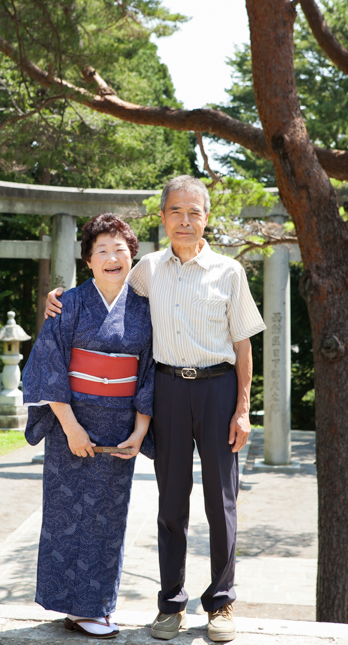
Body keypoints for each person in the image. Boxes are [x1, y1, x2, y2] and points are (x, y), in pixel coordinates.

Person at [45, 176, 266, 643]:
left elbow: (244, 344)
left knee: (220, 501)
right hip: (167, 389)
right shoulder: (147, 267)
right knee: (171, 500)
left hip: (219, 388)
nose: (185, 221)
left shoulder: (229, 271)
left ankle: (221, 603)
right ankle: (171, 605)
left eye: (195, 212)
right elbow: (106, 284)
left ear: (206, 218)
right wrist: (56, 298)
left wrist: (243, 407)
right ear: (163, 217)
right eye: (176, 212)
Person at [24, 213, 155, 639]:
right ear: (88, 261)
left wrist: (139, 431)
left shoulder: (145, 310)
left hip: (118, 430)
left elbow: (149, 372)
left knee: (107, 518)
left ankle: (95, 607)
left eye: (120, 249)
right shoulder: (69, 304)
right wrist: (70, 426)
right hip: (70, 425)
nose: (112, 257)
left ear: (132, 255)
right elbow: (49, 364)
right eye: (102, 250)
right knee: (63, 514)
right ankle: (73, 607)